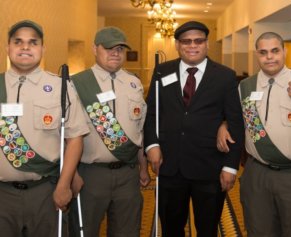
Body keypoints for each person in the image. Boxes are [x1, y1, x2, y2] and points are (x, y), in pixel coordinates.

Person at [144, 21, 245, 237]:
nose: (192, 45)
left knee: (207, 230)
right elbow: (152, 112)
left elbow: (235, 121)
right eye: (186, 41)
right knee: (171, 229)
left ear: (207, 44)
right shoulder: (162, 71)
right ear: (178, 45)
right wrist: (152, 144)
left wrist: (230, 167)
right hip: (169, 166)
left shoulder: (225, 76)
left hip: (210, 168)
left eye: (198, 40)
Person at [0, 20, 89, 237]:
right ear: (8, 48)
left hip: (45, 192)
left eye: (33, 42)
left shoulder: (61, 87)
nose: (25, 47)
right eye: (18, 41)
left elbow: (75, 139)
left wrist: (64, 184)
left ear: (43, 49)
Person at [68, 26, 150, 237]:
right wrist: (71, 174)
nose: (116, 53)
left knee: (128, 231)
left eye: (120, 48)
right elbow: (65, 135)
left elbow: (139, 131)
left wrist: (143, 167)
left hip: (127, 174)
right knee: (84, 231)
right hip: (90, 175)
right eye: (109, 48)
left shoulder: (134, 83)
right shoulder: (76, 84)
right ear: (95, 49)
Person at [217, 32, 291, 237]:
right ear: (257, 55)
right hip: (257, 173)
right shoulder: (245, 86)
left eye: (275, 51)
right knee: (258, 230)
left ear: (285, 51)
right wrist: (223, 124)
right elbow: (236, 118)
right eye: (263, 52)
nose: (269, 57)